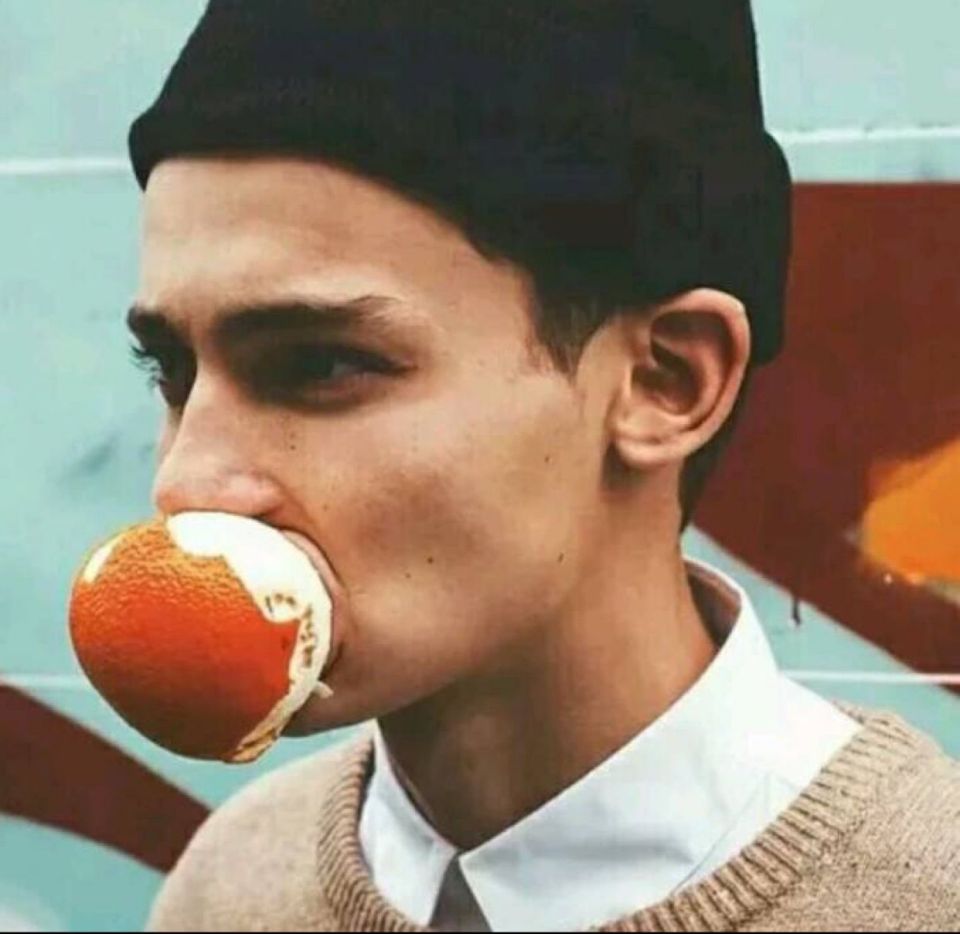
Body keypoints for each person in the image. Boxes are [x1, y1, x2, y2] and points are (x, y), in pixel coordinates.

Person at [129, 1, 960, 930]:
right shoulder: (228, 885)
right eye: (171, 372)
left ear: (664, 383)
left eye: (320, 365)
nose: (185, 485)